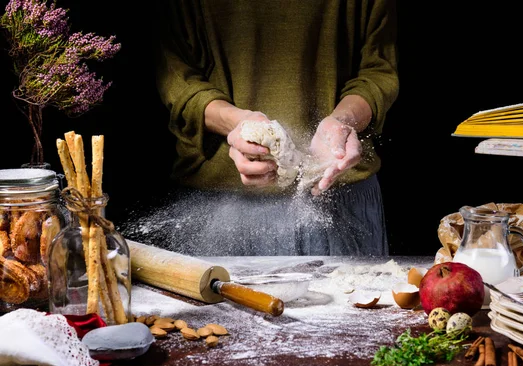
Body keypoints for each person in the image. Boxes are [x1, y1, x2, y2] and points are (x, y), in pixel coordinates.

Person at [149, 0, 399, 257]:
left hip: (338, 192)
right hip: (217, 206)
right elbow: (175, 74)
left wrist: (344, 121)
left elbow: (377, 71)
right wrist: (237, 124)